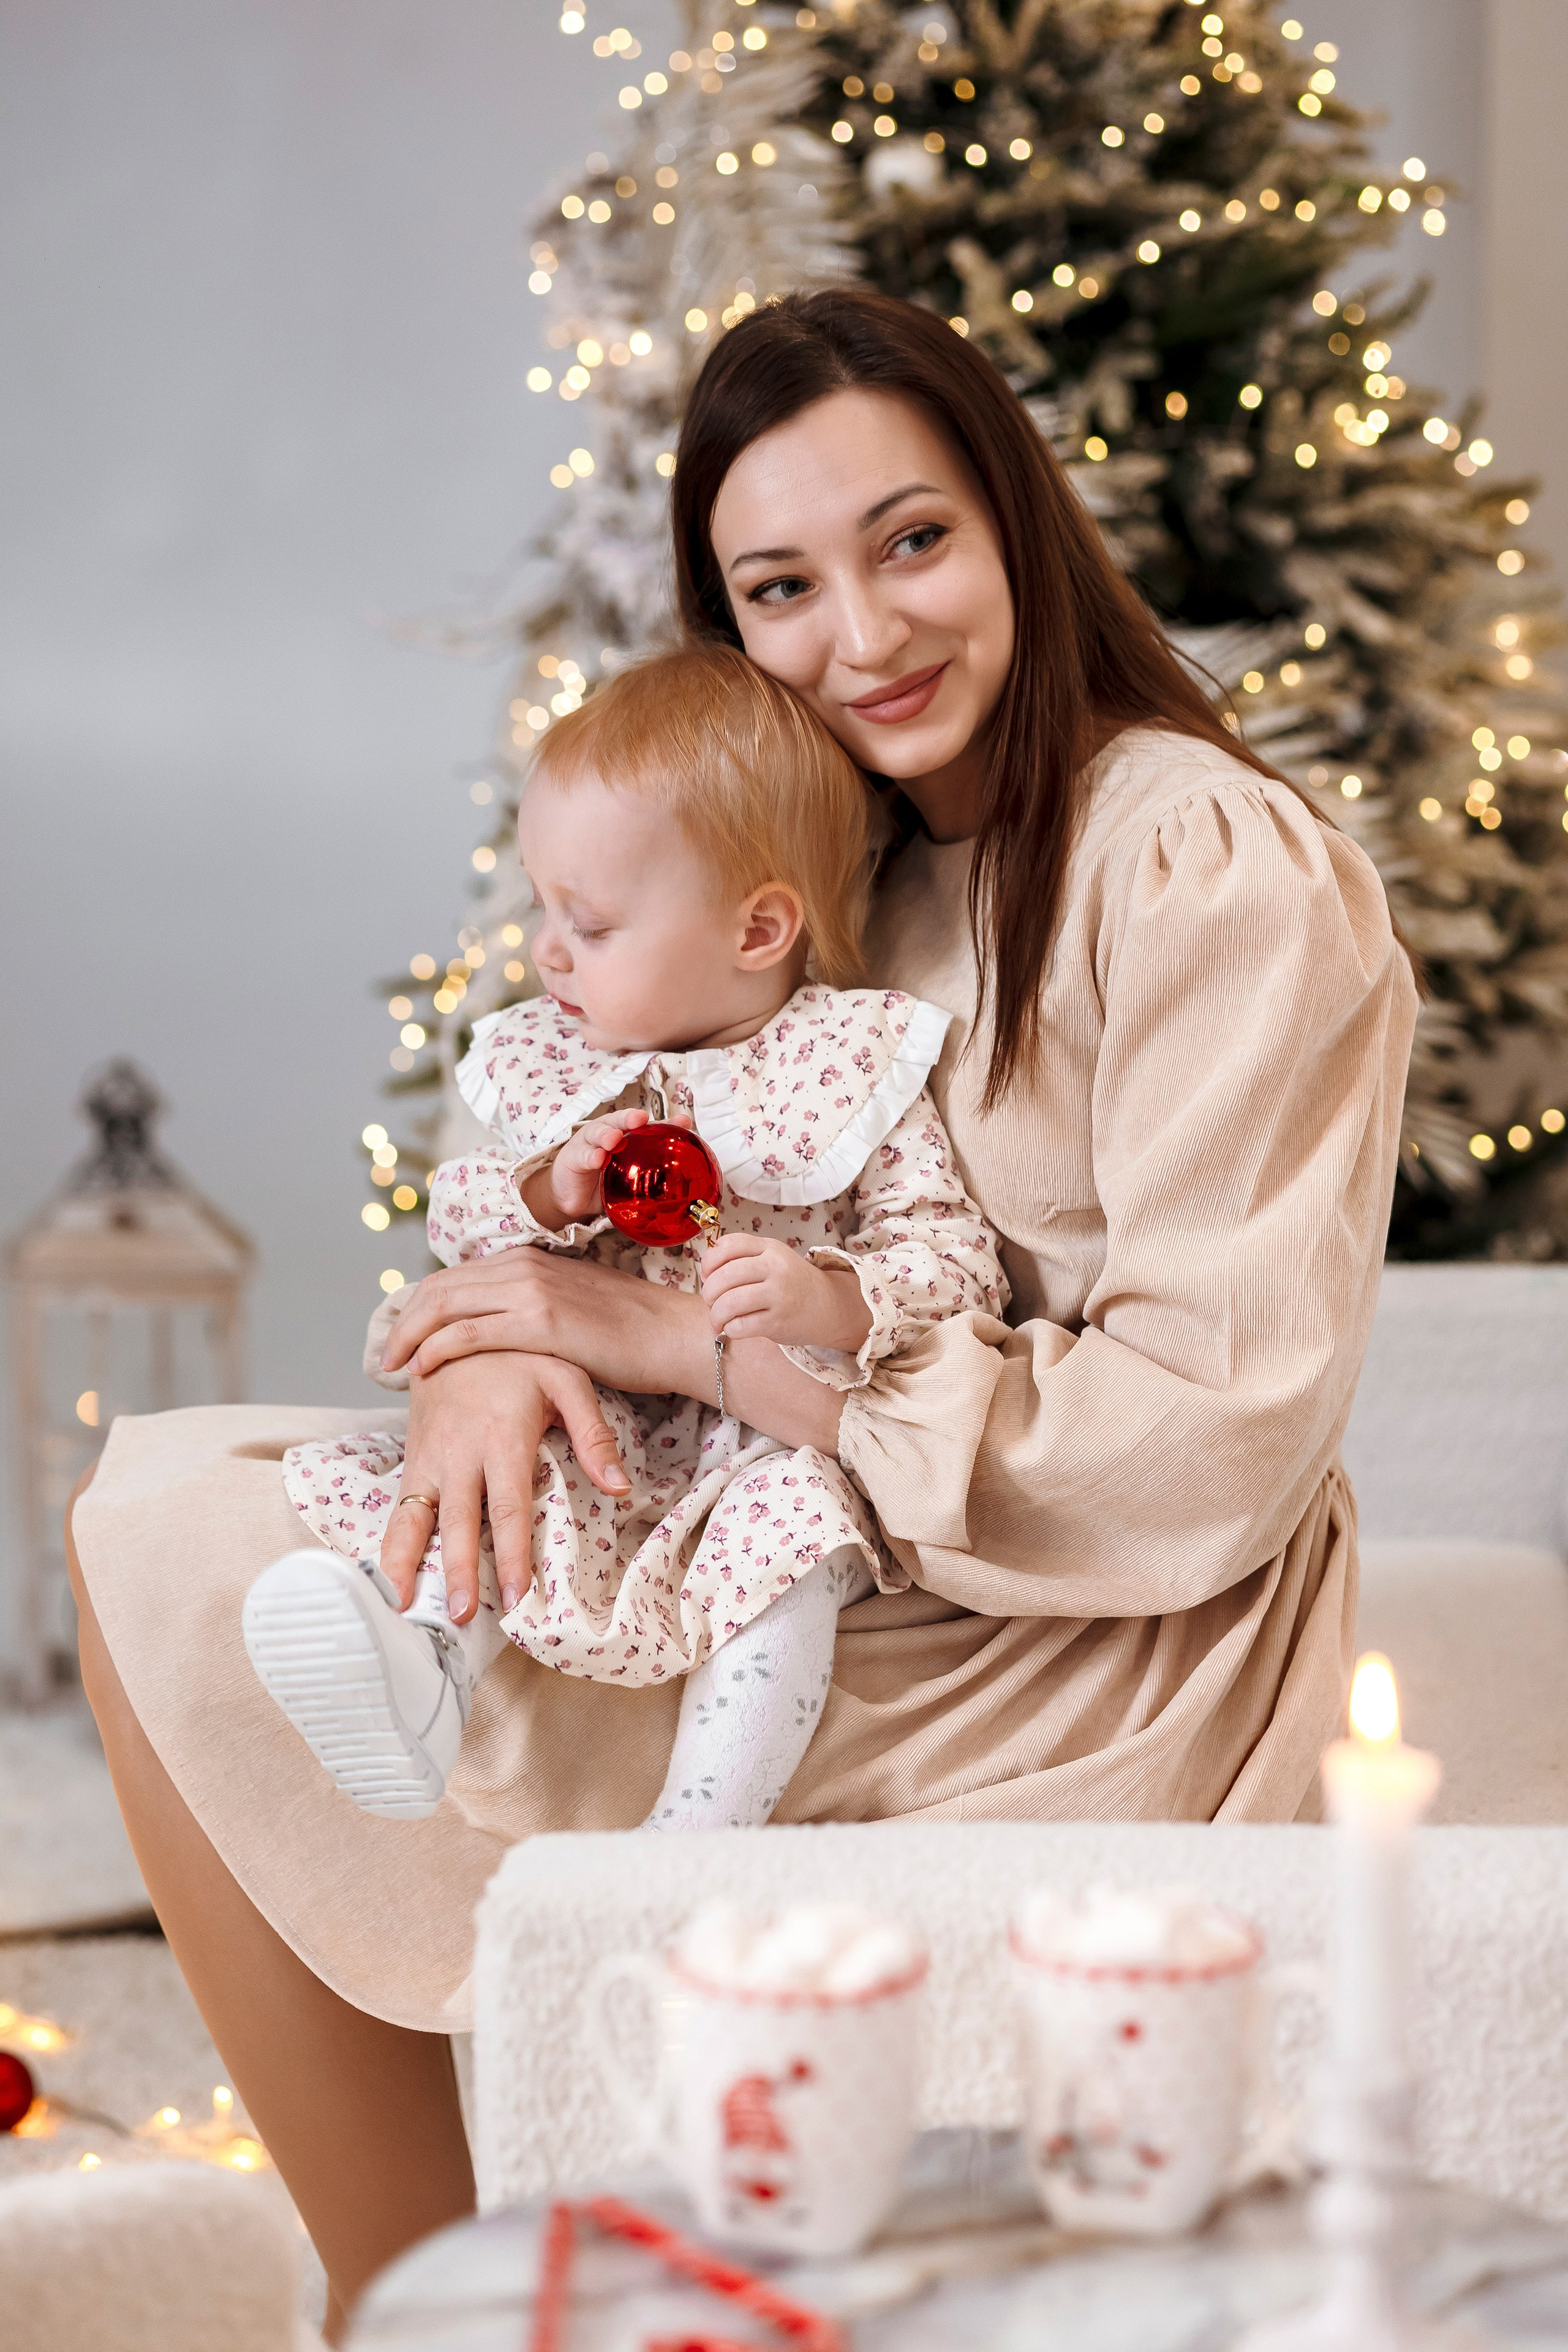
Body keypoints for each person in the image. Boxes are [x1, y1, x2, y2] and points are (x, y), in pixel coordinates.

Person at [67, 288, 1417, 2338]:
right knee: (164, 1515)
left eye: (912, 541)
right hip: (785, 1513)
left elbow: (1208, 1438)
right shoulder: (835, 853)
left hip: (1078, 1624)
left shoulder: (1201, 863)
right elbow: (600, 1122)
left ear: (1017, 521)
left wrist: (696, 1356)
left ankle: (424, 2298)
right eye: (780, 587)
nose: (861, 638)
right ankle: (416, 2295)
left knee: (182, 1548)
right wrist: (504, 1353)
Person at [244, 644, 1004, 1827]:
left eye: (589, 923)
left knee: (789, 1555)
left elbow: (956, 1265)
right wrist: (547, 1196)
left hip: (767, 1436)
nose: (546, 950)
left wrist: (829, 1296)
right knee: (504, 1479)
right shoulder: (562, 1066)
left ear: (758, 929)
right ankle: (426, 1664)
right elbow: (462, 1228)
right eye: (542, 907)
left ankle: (702, 1823)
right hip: (602, 1422)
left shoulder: (846, 1069)